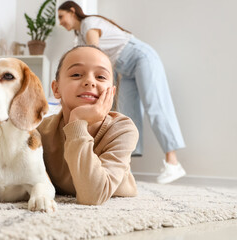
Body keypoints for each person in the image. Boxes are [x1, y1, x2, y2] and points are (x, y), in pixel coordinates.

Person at [0, 45, 139, 205]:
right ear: (56, 89)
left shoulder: (122, 129)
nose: (89, 82)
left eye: (100, 77)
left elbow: (93, 196)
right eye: (76, 74)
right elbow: (8, 134)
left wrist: (77, 122)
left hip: (110, 193)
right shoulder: (44, 128)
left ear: (112, 92)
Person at [57, 1, 186, 184]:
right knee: (126, 115)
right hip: (123, 70)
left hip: (141, 57)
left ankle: (173, 162)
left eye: (61, 16)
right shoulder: (79, 37)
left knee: (154, 104)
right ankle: (125, 167)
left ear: (72, 11)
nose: (60, 22)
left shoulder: (89, 23)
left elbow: (94, 54)